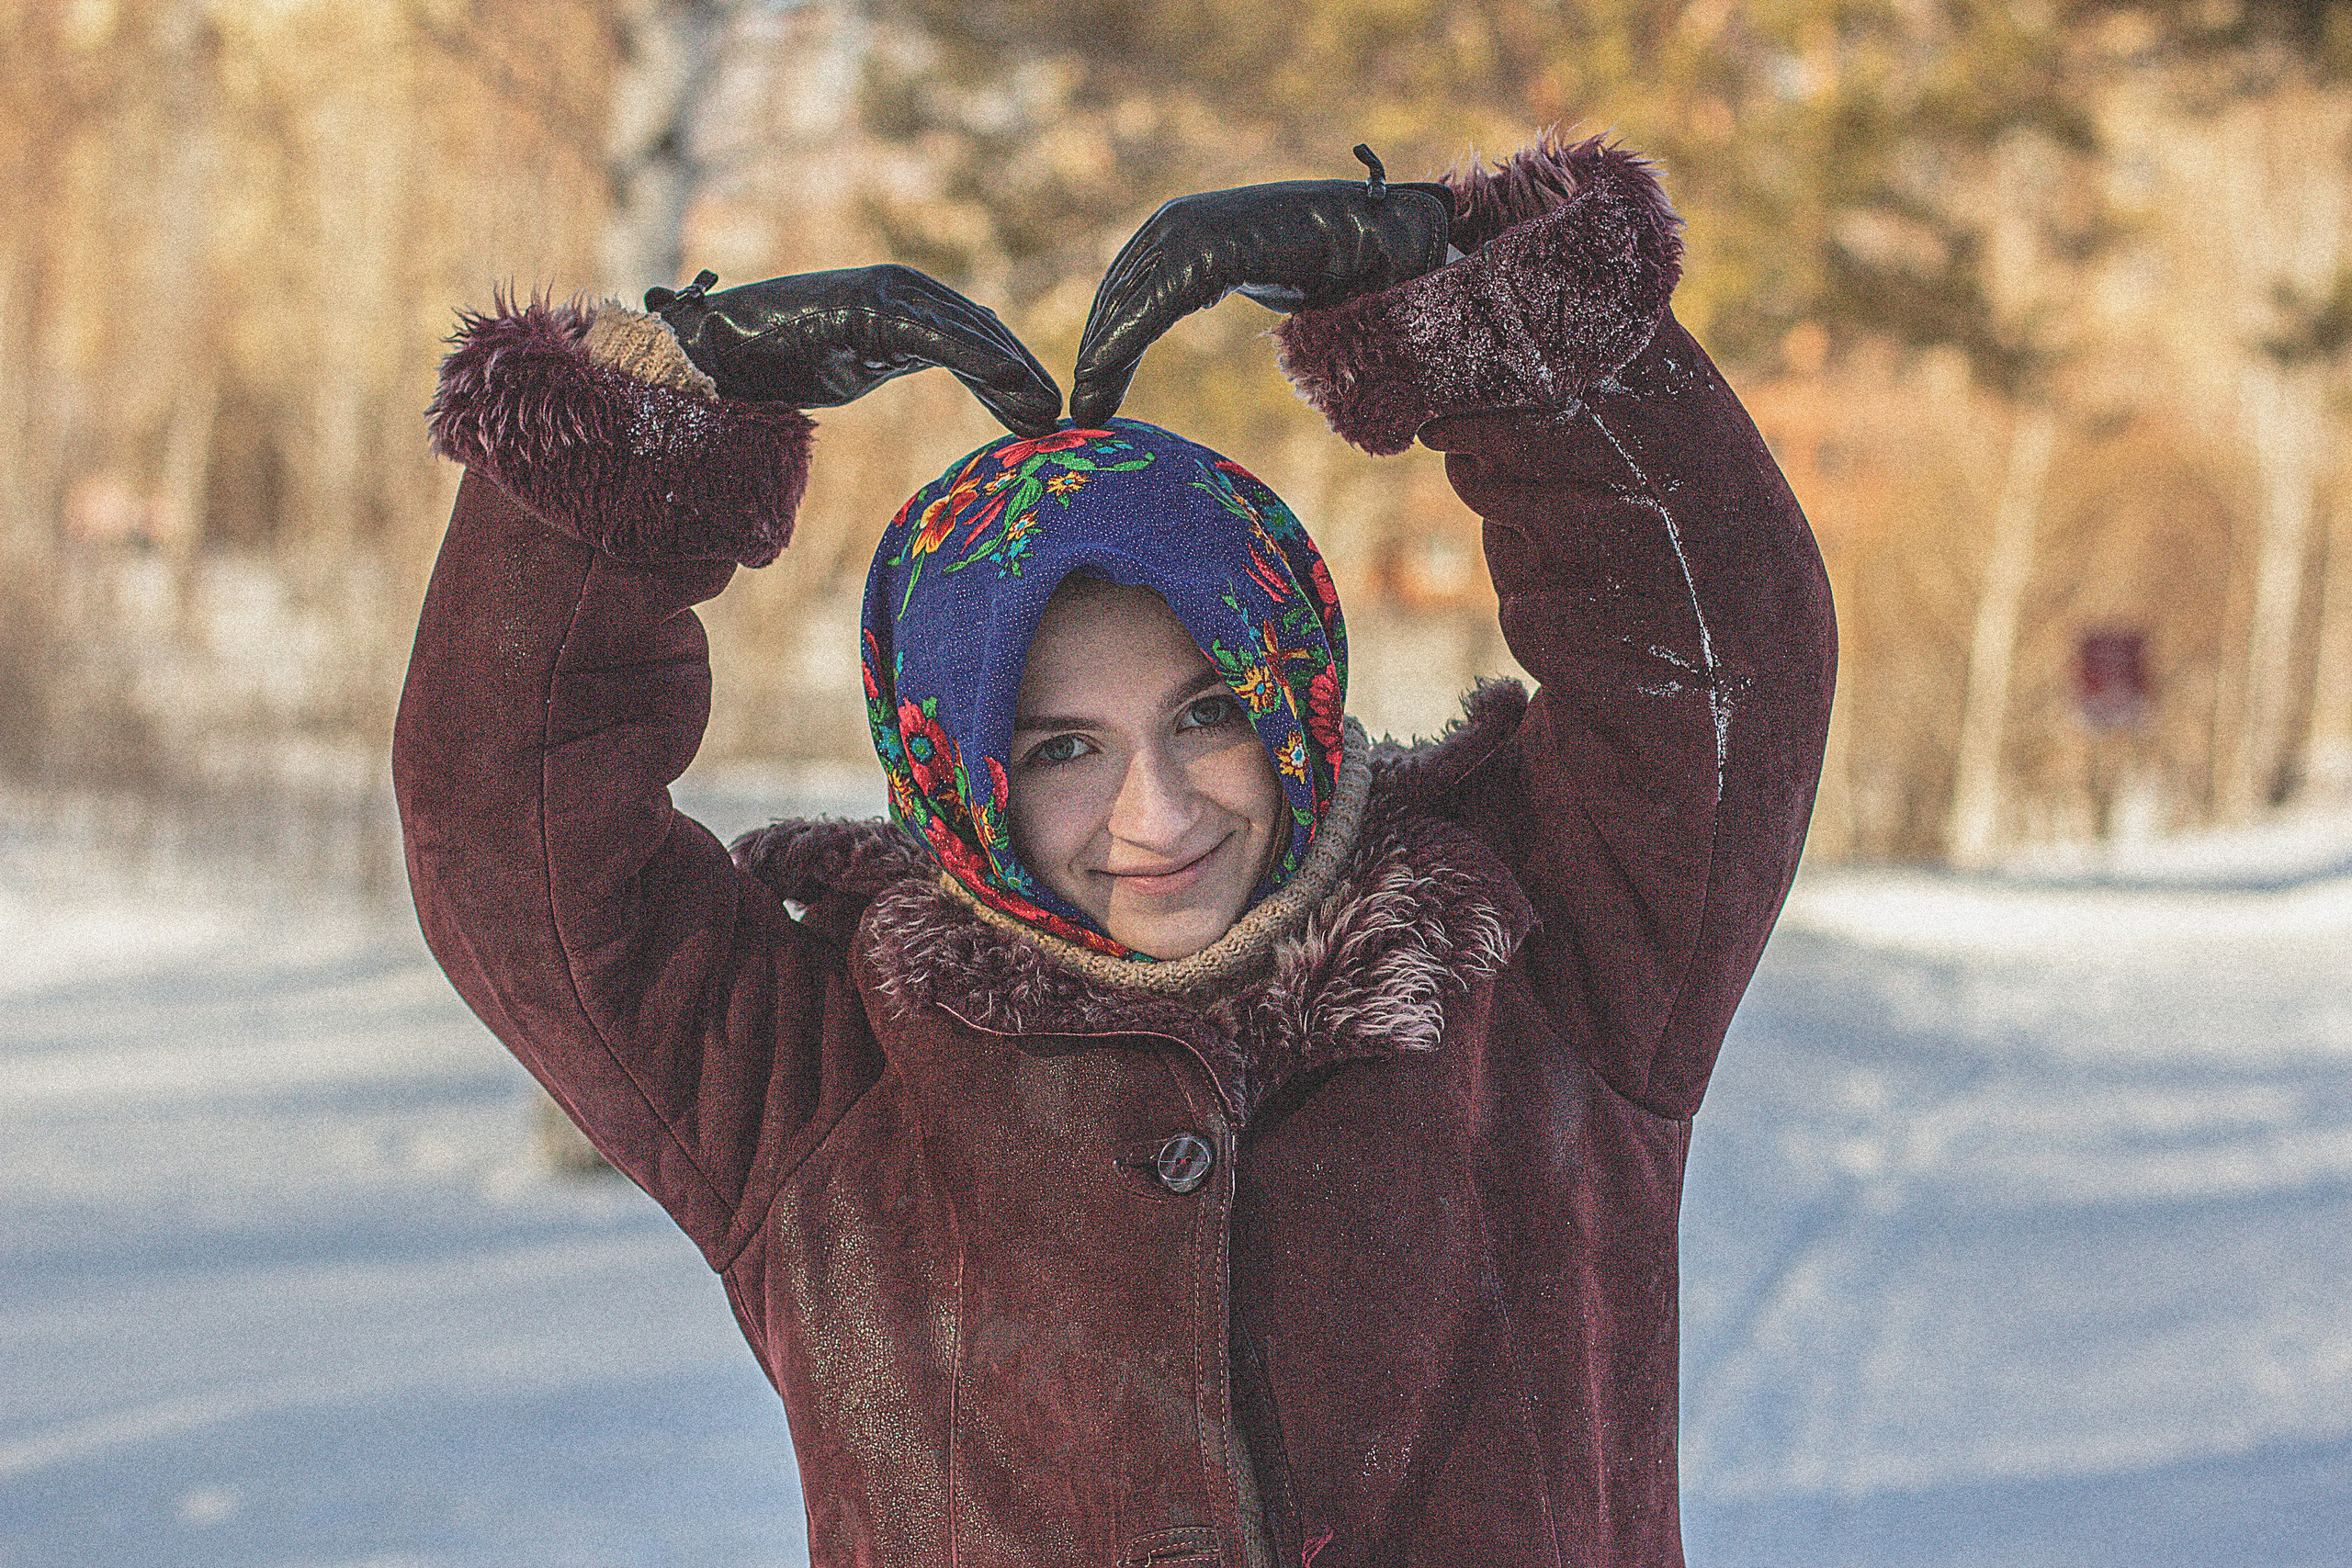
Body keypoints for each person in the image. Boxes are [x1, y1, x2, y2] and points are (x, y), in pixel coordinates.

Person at [395, 133, 1835, 1568]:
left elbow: (1723, 657)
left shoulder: (1538, 959)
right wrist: (652, 424)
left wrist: (1471, 301)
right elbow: (506, 833)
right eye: (1058, 749)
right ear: (951, 769)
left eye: (1210, 710)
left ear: (1293, 679)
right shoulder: (829, 1078)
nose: (1160, 815)